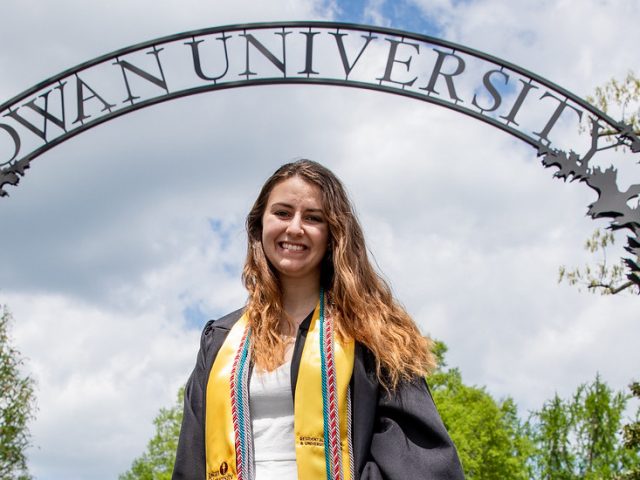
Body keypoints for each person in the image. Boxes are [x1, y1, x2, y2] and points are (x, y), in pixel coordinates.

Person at [173, 160, 464, 480]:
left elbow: (416, 459)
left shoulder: (374, 333)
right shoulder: (221, 340)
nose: (294, 228)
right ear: (260, 225)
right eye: (282, 213)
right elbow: (192, 459)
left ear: (333, 233)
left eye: (313, 218)